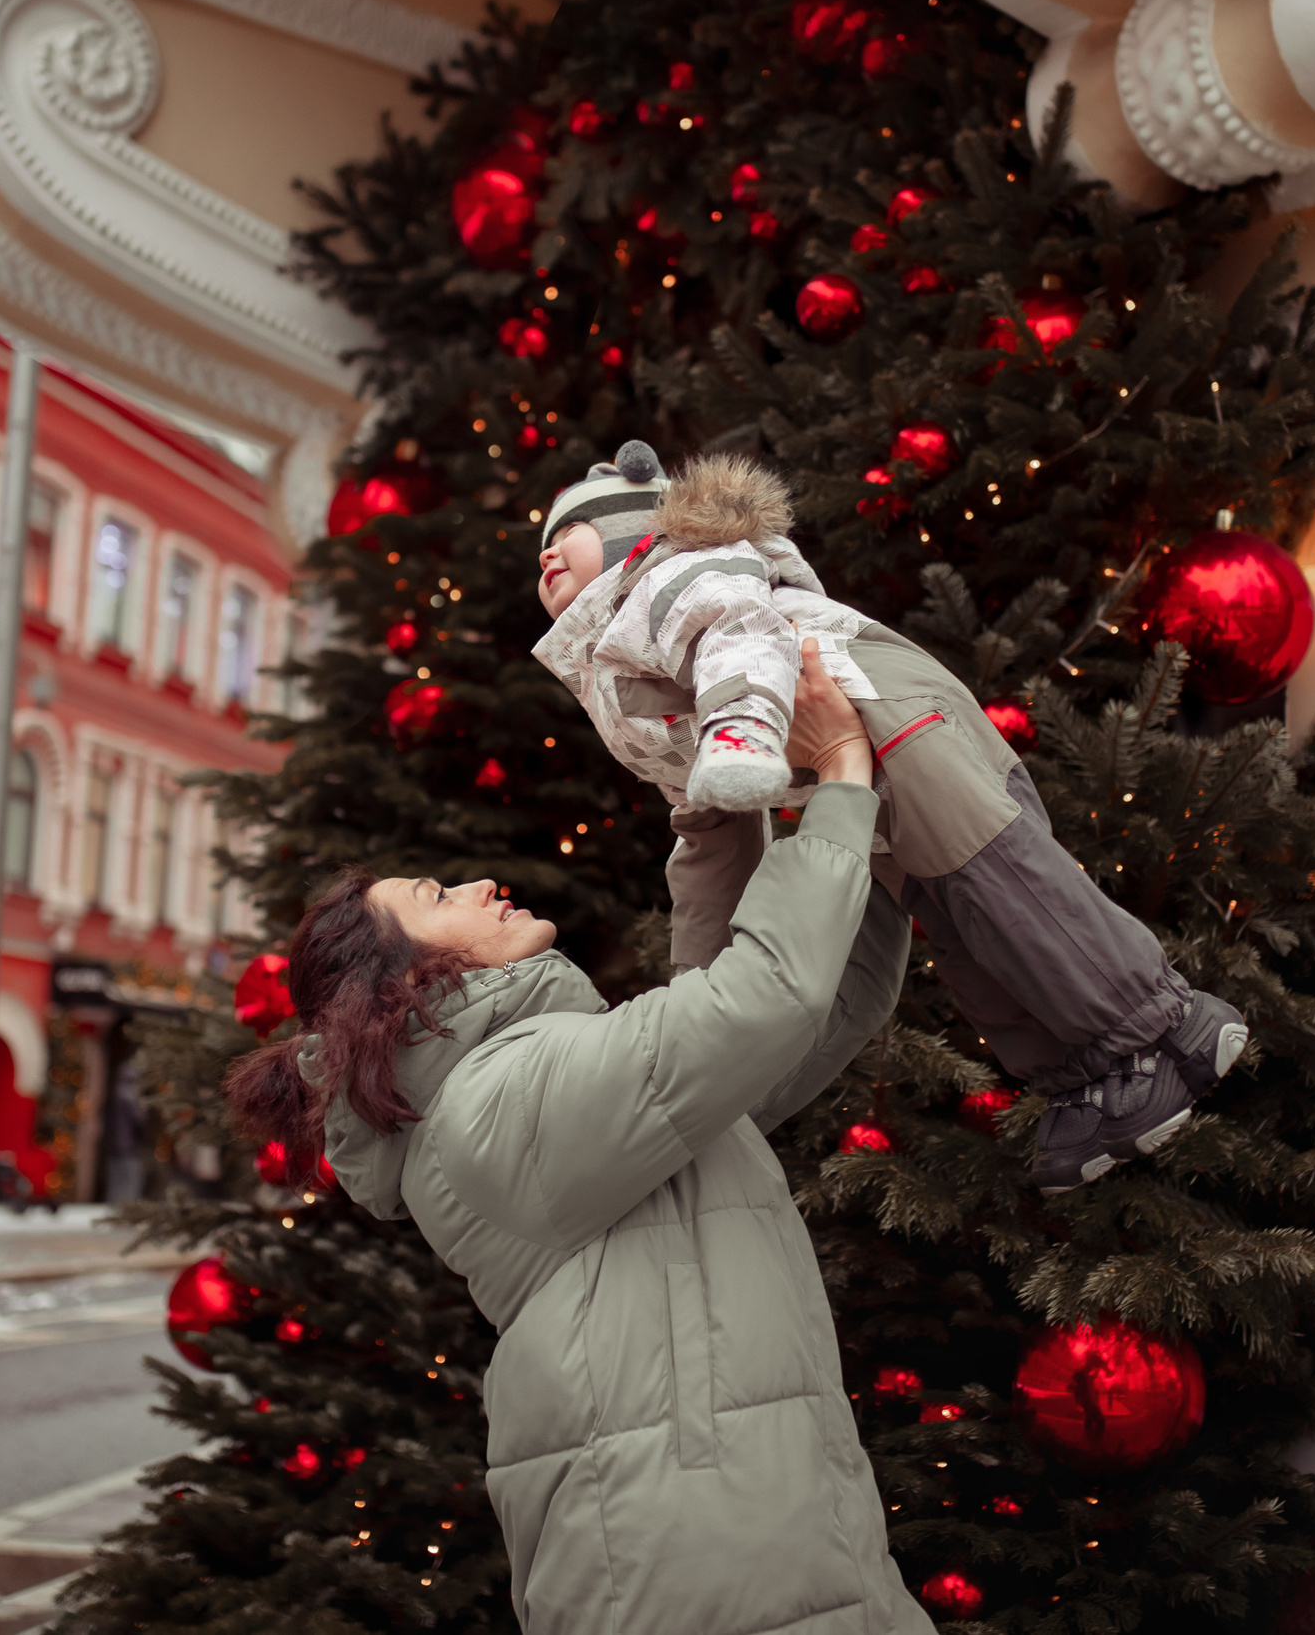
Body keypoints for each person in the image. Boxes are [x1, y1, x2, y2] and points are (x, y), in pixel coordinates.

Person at [227, 642, 932, 1635]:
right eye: (438, 899)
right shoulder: (493, 1104)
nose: (476, 884)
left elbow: (814, 1005)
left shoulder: (542, 1071)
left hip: (759, 1534)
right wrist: (842, 778)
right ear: (403, 987)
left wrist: (750, 818)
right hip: (687, 1560)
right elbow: (760, 997)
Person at [532, 440, 1246, 1193]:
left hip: (882, 706)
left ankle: (1165, 1026)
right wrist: (699, 998)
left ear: (628, 531)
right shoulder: (606, 678)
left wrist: (741, 731)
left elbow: (740, 632)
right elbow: (708, 826)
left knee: (991, 882)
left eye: (569, 533)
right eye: (540, 548)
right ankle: (1091, 1082)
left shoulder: (670, 573)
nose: (546, 554)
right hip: (853, 772)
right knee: (959, 919)